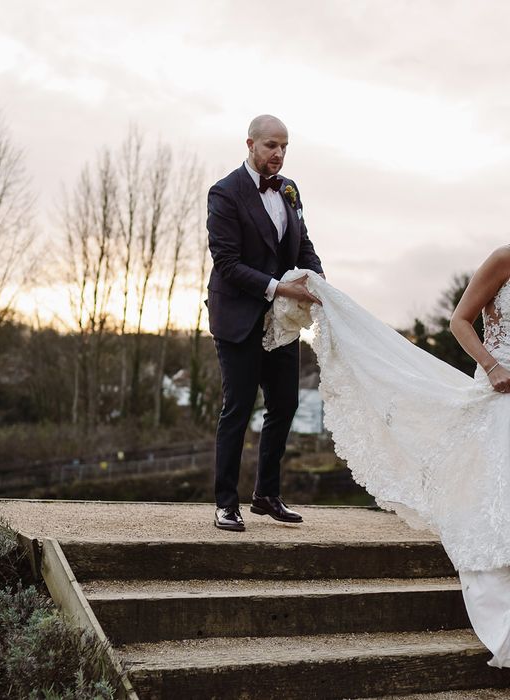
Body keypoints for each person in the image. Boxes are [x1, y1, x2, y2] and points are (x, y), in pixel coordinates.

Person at [266, 254, 510, 668]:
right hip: (501, 388)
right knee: (494, 507)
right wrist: (491, 365)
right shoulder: (505, 257)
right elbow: (459, 321)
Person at [206, 114, 323, 531]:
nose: (279, 153)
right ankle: (225, 503)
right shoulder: (224, 192)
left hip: (281, 323)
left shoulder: (289, 190)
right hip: (237, 316)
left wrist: (318, 281)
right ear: (251, 144)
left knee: (285, 404)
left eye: (285, 146)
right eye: (271, 145)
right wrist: (281, 288)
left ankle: (266, 495)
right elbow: (227, 263)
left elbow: (303, 245)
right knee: (237, 409)